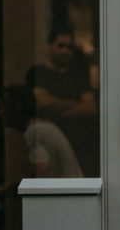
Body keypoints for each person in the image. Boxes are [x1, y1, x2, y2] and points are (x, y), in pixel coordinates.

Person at [25, 29, 98, 176]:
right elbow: (41, 103)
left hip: (79, 146)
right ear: (50, 46)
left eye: (70, 47)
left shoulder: (78, 77)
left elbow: (90, 108)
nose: (66, 51)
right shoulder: (39, 73)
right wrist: (75, 104)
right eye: (61, 46)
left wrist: (54, 106)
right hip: (49, 146)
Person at [2, 85, 85, 179]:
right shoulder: (42, 127)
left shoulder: (34, 131)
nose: (1, 112)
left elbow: (41, 170)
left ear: (18, 107)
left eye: (5, 105)